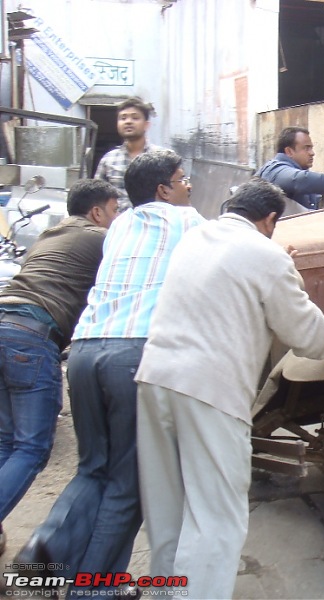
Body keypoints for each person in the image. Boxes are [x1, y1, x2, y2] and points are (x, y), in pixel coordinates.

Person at [135, 179, 324, 599]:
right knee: (217, 515)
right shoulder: (268, 255)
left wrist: (278, 263)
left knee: (165, 506)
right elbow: (306, 333)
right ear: (270, 219)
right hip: (210, 391)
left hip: (155, 377)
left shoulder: (195, 237)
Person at [15, 150, 204, 598]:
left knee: (93, 469)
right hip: (133, 353)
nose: (189, 186)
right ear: (163, 190)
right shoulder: (188, 221)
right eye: (182, 179)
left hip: (83, 349)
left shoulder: (118, 226)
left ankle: (48, 545)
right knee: (128, 486)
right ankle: (92, 590)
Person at [0, 180, 119, 557]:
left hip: (5, 320)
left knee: (6, 444)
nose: (117, 220)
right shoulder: (100, 238)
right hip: (32, 336)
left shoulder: (48, 237)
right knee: (32, 448)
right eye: (115, 211)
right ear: (98, 212)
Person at [255, 126, 324, 215]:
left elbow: (315, 201)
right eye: (306, 148)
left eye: (311, 148)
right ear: (289, 151)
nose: (312, 153)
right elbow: (301, 180)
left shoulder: (287, 170)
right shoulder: (274, 171)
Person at [95, 97, 164, 211]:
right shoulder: (108, 160)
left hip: (152, 224)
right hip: (118, 225)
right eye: (123, 118)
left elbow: (174, 195)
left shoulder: (161, 157)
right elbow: (97, 198)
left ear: (146, 124)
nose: (128, 121)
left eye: (135, 117)